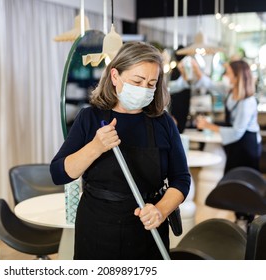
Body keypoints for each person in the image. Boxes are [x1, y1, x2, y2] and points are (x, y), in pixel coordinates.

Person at [50, 42, 191, 260]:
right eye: (137, 81)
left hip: (148, 228)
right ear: (115, 76)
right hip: (98, 227)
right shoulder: (90, 118)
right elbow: (59, 173)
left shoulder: (163, 123)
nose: (144, 89)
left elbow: (181, 180)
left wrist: (160, 211)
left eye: (151, 83)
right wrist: (96, 147)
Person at [196, 60, 262, 174]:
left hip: (246, 146)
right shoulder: (230, 91)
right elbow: (210, 84)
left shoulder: (247, 102)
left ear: (237, 77)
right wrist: (196, 69)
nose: (225, 75)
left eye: (228, 73)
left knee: (243, 182)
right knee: (231, 179)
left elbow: (237, 132)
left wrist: (209, 126)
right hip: (236, 144)